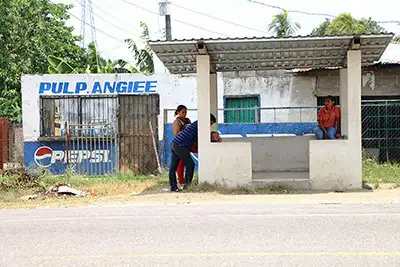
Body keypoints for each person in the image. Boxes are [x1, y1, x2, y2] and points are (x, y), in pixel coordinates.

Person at [169, 113, 217, 192]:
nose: (210, 126)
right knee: (190, 164)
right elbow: (200, 139)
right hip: (180, 145)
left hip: (174, 143)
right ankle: (187, 186)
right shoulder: (200, 126)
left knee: (173, 167)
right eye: (211, 123)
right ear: (208, 121)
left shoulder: (196, 124)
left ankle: (173, 187)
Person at [172, 105, 192, 187]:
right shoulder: (177, 122)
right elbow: (176, 134)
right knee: (180, 164)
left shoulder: (188, 120)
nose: (185, 114)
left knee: (187, 162)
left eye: (185, 112)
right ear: (178, 112)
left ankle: (186, 181)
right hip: (180, 144)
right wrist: (185, 131)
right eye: (183, 112)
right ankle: (181, 181)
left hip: (187, 143)